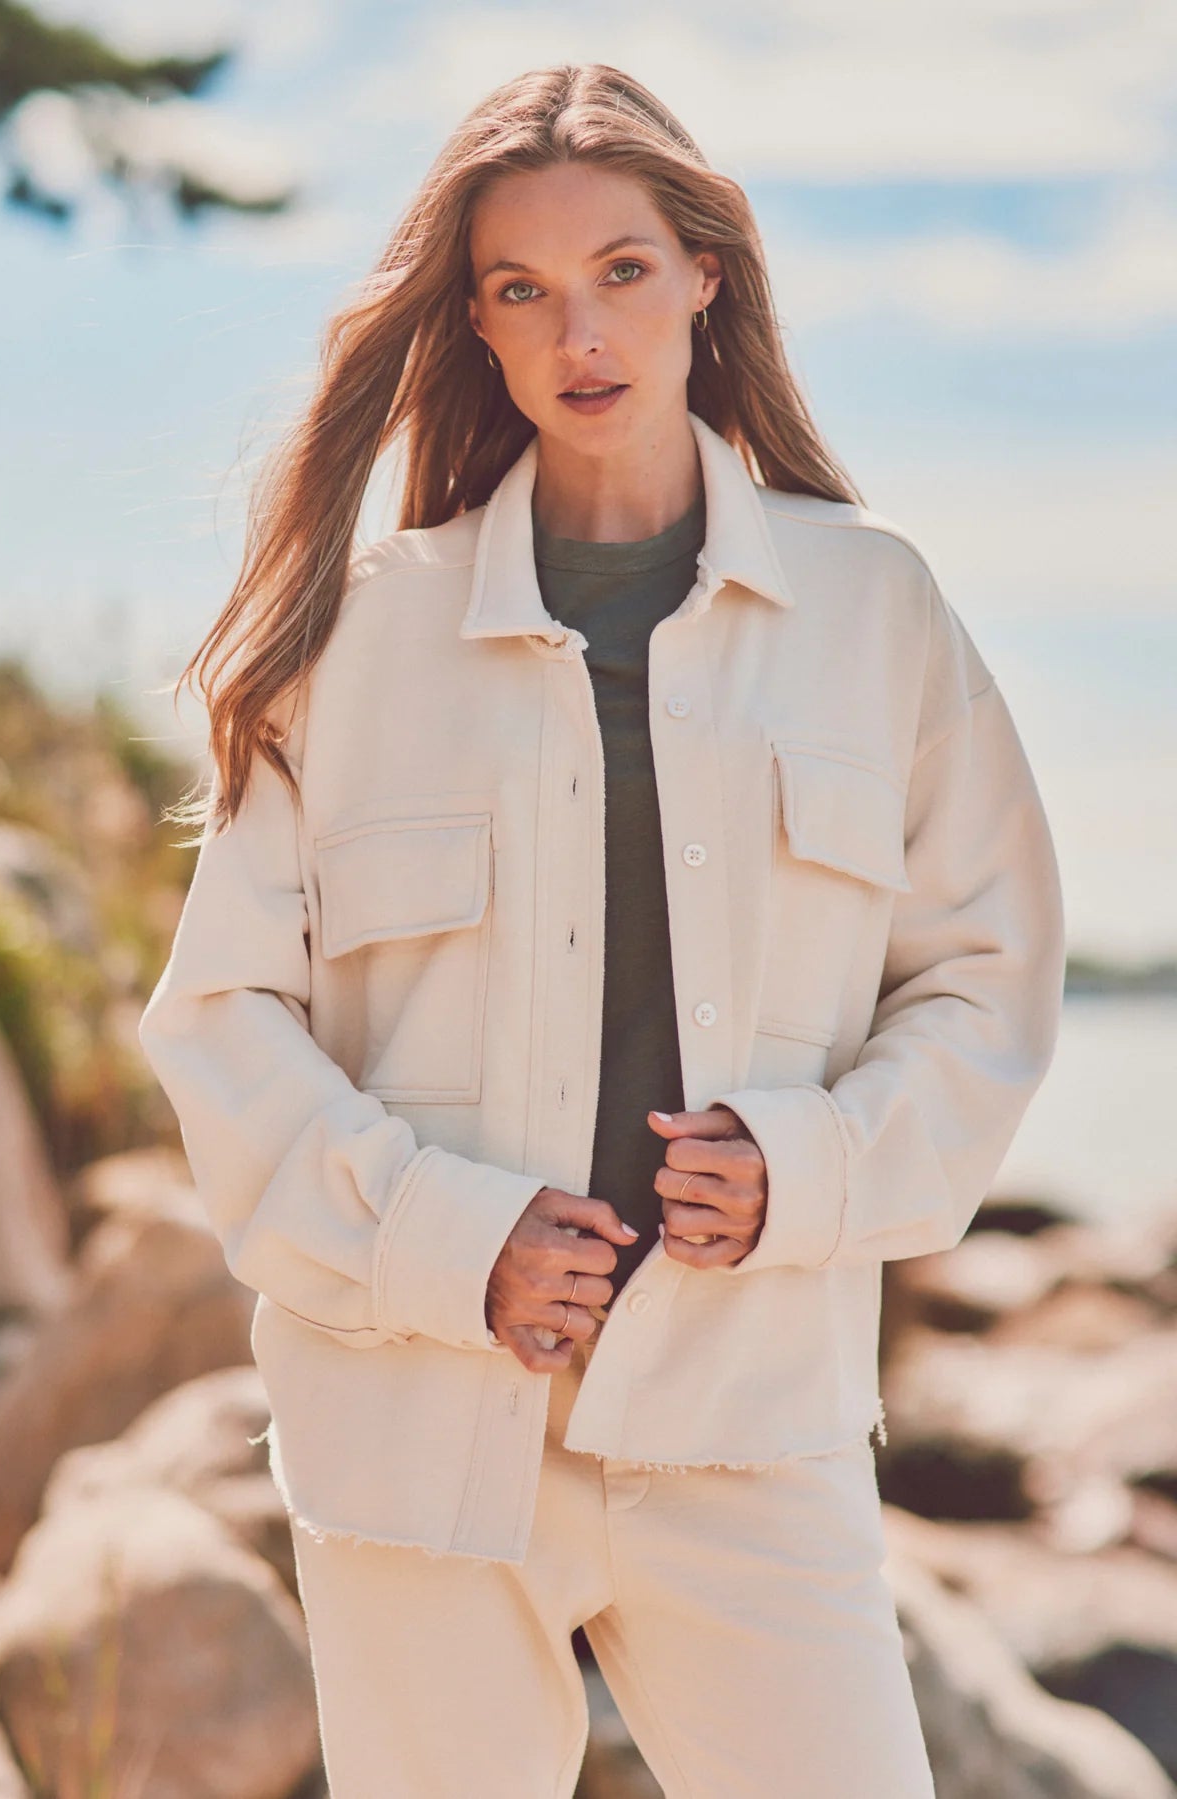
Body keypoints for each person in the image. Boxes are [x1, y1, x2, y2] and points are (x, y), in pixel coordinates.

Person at [137, 61, 1066, 1799]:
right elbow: (224, 1022)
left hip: (747, 1425)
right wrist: (449, 1240)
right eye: (523, 289)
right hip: (415, 1434)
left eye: (622, 270)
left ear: (707, 272)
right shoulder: (352, 637)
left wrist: (812, 1168)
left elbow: (985, 982)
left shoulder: (875, 608)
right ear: (475, 325)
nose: (583, 330)